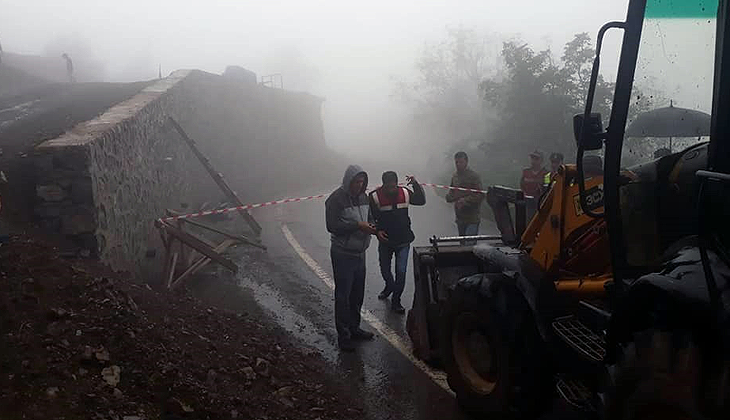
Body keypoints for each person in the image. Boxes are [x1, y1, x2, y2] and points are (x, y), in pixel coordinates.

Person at [325, 165, 377, 351]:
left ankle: (355, 328)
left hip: (360, 253)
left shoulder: (364, 197)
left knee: (357, 294)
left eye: (362, 182)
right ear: (348, 181)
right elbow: (332, 226)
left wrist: (374, 229)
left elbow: (369, 217)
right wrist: (357, 226)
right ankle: (344, 335)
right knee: (343, 296)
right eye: (356, 182)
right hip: (342, 254)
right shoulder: (335, 199)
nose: (359, 185)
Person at [369, 171, 426, 314]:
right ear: (383, 185)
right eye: (388, 187)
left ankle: (396, 300)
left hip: (403, 240)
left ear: (396, 183)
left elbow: (420, 201)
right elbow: (369, 217)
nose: (391, 189)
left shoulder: (405, 192)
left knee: (401, 272)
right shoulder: (374, 196)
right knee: (385, 269)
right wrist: (377, 231)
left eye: (393, 186)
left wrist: (415, 184)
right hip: (385, 241)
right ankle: (389, 286)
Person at [445, 151, 484, 237]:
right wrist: (449, 197)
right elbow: (452, 192)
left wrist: (465, 200)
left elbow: (480, 195)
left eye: (461, 162)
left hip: (472, 218)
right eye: (456, 162)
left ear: (466, 162)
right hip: (460, 218)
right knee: (462, 246)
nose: (458, 164)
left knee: (469, 245)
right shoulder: (455, 176)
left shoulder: (474, 176)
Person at [521, 150, 547, 220]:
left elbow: (547, 189)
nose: (533, 161)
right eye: (532, 158)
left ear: (541, 161)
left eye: (536, 159)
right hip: (526, 202)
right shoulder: (525, 171)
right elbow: (522, 185)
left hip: (538, 203)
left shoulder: (545, 173)